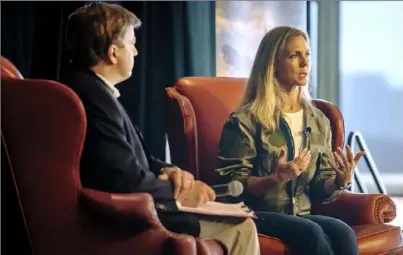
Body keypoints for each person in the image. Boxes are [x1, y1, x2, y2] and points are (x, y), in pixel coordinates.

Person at [62, 3, 260, 255]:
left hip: (137, 207)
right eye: (131, 43)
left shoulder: (93, 92)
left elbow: (136, 158)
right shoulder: (93, 98)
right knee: (242, 227)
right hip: (124, 219)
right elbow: (124, 180)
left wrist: (169, 170)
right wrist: (181, 193)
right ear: (113, 53)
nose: (135, 51)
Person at [216, 26, 366, 255]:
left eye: (306, 54)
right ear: (273, 64)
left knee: (343, 232)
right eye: (293, 55)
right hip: (257, 213)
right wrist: (275, 178)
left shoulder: (318, 120)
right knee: (311, 233)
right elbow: (233, 186)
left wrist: (337, 181)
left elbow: (318, 187)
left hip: (302, 215)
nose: (305, 63)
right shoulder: (245, 120)